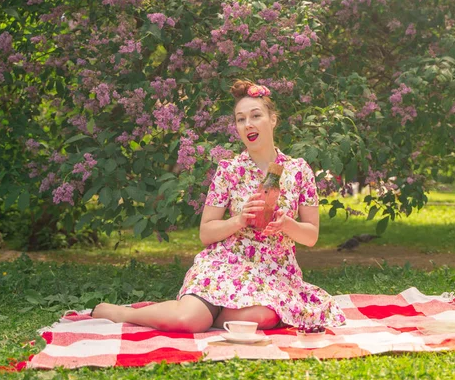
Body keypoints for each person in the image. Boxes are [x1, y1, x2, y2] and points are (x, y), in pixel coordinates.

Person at [92, 80, 346, 333]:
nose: (248, 124)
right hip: (226, 262)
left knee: (261, 316)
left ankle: (211, 313)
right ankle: (123, 313)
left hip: (274, 269)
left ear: (273, 120)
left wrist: (286, 224)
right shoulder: (229, 169)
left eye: (256, 116)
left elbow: (311, 236)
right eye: (240, 119)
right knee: (188, 321)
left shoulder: (298, 170)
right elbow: (206, 233)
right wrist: (239, 220)